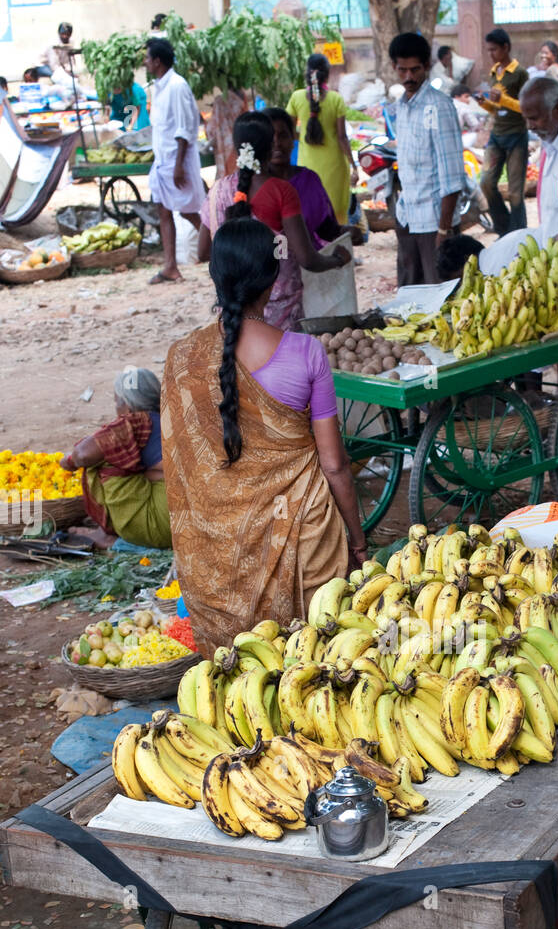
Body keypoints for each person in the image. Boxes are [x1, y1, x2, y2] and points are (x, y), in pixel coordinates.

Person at [160, 218, 365, 655]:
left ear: (216, 277)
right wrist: (358, 539)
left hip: (218, 561)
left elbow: (183, 474)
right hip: (307, 540)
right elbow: (334, 464)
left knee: (239, 672)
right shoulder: (306, 352)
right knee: (317, 659)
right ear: (272, 281)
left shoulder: (180, 358)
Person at [197, 112, 350, 330]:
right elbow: (307, 259)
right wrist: (337, 259)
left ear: (236, 147)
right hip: (279, 312)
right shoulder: (282, 191)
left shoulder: (218, 191)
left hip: (232, 310)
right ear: (271, 146)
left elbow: (203, 252)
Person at [60, 369, 170, 551]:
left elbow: (83, 454)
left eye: (116, 401)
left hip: (165, 525)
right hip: (194, 519)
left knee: (104, 457)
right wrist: (150, 475)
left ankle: (116, 535)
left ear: (126, 403)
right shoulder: (170, 417)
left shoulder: (133, 423)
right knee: (121, 457)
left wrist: (68, 463)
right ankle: (110, 531)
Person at [389, 32, 466, 286]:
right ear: (394, 67)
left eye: (415, 69)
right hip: (407, 218)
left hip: (434, 226)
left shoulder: (439, 106)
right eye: (403, 70)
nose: (409, 77)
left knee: (439, 299)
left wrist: (443, 232)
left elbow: (453, 178)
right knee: (410, 301)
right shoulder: (401, 106)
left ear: (427, 67)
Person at [144, 37, 206, 285]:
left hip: (176, 161)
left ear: (157, 61)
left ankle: (221, 253)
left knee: (191, 212)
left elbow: (184, 129)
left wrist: (179, 165)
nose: (145, 63)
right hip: (163, 160)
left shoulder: (177, 86)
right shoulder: (159, 86)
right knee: (164, 209)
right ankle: (170, 266)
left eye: (147, 58)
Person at [264, 107, 350, 248]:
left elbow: (325, 229)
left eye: (283, 135)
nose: (277, 143)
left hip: (314, 263)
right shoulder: (257, 185)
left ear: (293, 138)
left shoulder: (309, 179)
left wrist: (343, 231)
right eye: (270, 137)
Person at [287, 54, 356, 225]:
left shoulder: (296, 97)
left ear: (307, 73)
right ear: (327, 73)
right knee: (336, 216)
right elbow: (342, 137)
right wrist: (354, 166)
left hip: (307, 165)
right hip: (335, 166)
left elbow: (289, 131)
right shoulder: (336, 99)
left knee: (311, 212)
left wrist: (303, 136)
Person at [477, 29, 529, 235]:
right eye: (488, 50)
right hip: (496, 135)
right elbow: (497, 109)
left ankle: (520, 234)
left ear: (505, 48)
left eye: (494, 50)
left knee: (516, 193)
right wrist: (486, 104)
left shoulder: (520, 74)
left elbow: (526, 106)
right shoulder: (494, 72)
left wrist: (503, 100)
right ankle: (504, 229)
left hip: (516, 135)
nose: (491, 54)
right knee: (486, 183)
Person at [519, 76, 558, 243]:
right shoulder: (550, 141)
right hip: (553, 250)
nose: (529, 126)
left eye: (533, 118)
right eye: (526, 119)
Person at [206, 86, 249, 178]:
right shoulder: (242, 96)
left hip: (226, 147)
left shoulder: (219, 102)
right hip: (242, 143)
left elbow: (210, 131)